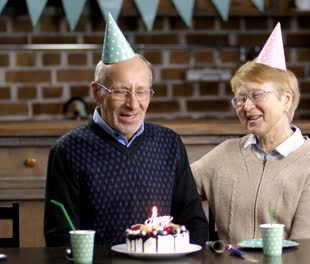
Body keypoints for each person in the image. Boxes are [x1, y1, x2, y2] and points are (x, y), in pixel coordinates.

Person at [44, 13, 208, 247]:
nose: (133, 103)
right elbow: (60, 236)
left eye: (142, 91)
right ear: (96, 93)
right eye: (121, 92)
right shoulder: (68, 150)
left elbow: (194, 221)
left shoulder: (169, 143)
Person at [191, 22, 310, 244]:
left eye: (257, 95)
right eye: (240, 98)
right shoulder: (223, 155)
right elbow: (173, 187)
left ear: (286, 99)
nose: (247, 107)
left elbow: (306, 249)